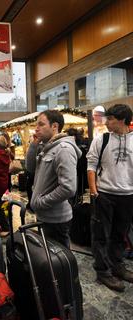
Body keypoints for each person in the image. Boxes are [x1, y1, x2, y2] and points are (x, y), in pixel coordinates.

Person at [87, 104, 133, 292]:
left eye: (111, 119)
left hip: (128, 196)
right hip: (104, 194)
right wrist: (93, 191)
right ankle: (102, 270)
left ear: (122, 120)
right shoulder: (101, 139)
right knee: (100, 235)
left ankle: (117, 265)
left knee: (120, 234)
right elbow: (91, 165)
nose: (107, 122)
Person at [30, 110, 82, 248]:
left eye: (41, 124)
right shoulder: (46, 147)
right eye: (36, 125)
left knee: (59, 262)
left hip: (56, 219)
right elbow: (30, 168)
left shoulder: (63, 149)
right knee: (49, 260)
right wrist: (34, 145)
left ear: (54, 126)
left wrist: (40, 202)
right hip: (45, 217)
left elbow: (68, 188)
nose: (36, 128)